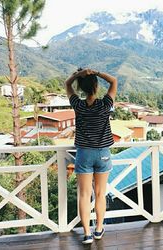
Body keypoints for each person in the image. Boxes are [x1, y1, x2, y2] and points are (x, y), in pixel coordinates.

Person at [65, 68, 117, 244]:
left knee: (84, 195)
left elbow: (67, 84)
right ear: (96, 86)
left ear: (81, 87)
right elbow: (114, 81)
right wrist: (97, 72)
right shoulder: (105, 104)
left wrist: (78, 75)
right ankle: (99, 229)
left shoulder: (78, 105)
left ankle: (87, 233)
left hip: (84, 154)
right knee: (100, 194)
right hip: (103, 153)